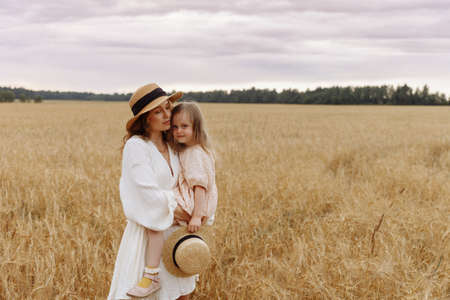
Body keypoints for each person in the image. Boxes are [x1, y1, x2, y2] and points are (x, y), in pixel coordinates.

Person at [108, 83, 196, 300]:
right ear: (146, 118)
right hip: (149, 235)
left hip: (175, 236)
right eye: (159, 111)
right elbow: (147, 193)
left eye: (168, 107)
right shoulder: (136, 146)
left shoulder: (173, 144)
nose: (167, 115)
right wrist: (183, 211)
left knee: (181, 295)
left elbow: (187, 182)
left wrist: (196, 212)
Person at [170, 102, 218, 232]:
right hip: (196, 203)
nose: (178, 131)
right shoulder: (189, 149)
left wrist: (197, 216)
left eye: (184, 126)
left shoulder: (195, 153)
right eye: (174, 127)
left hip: (196, 204)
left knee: (163, 201)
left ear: (196, 127)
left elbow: (199, 186)